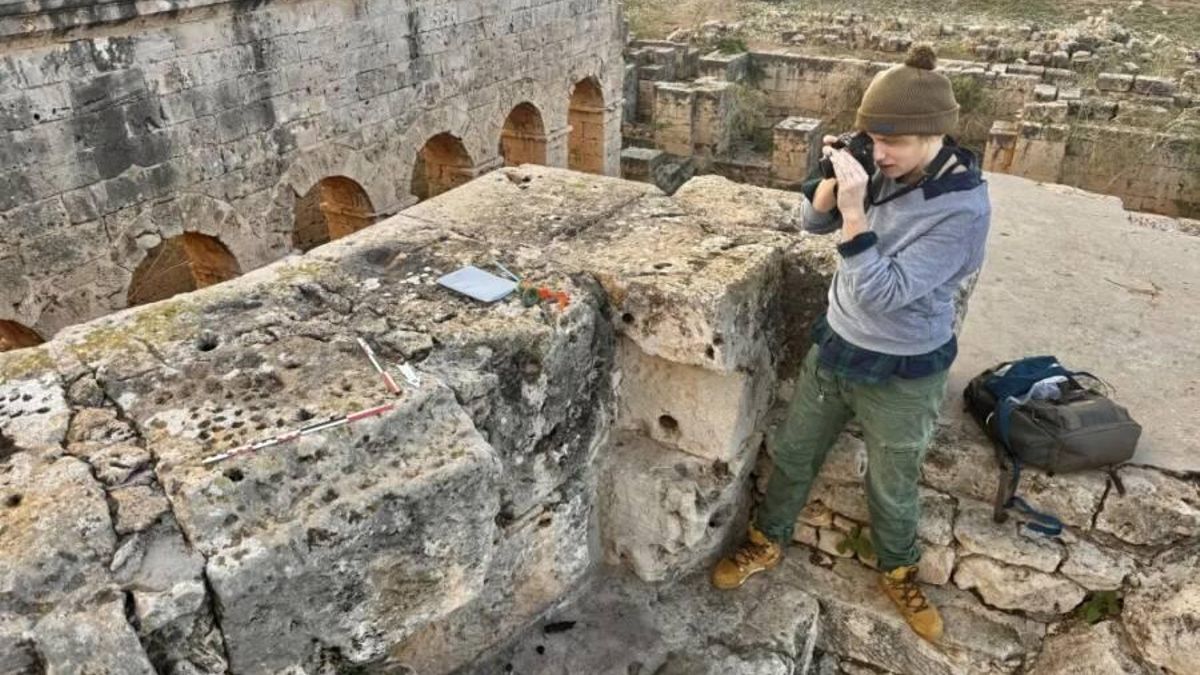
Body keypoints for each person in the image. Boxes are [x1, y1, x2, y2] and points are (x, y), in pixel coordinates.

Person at [710, 44, 991, 644]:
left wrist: (858, 209)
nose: (881, 152)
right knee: (793, 453)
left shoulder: (962, 209)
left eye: (895, 142)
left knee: (892, 479)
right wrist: (831, 186)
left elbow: (885, 292)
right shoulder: (879, 163)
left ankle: (897, 569)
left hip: (904, 367)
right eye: (872, 138)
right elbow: (814, 224)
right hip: (836, 346)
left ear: (932, 134)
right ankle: (767, 540)